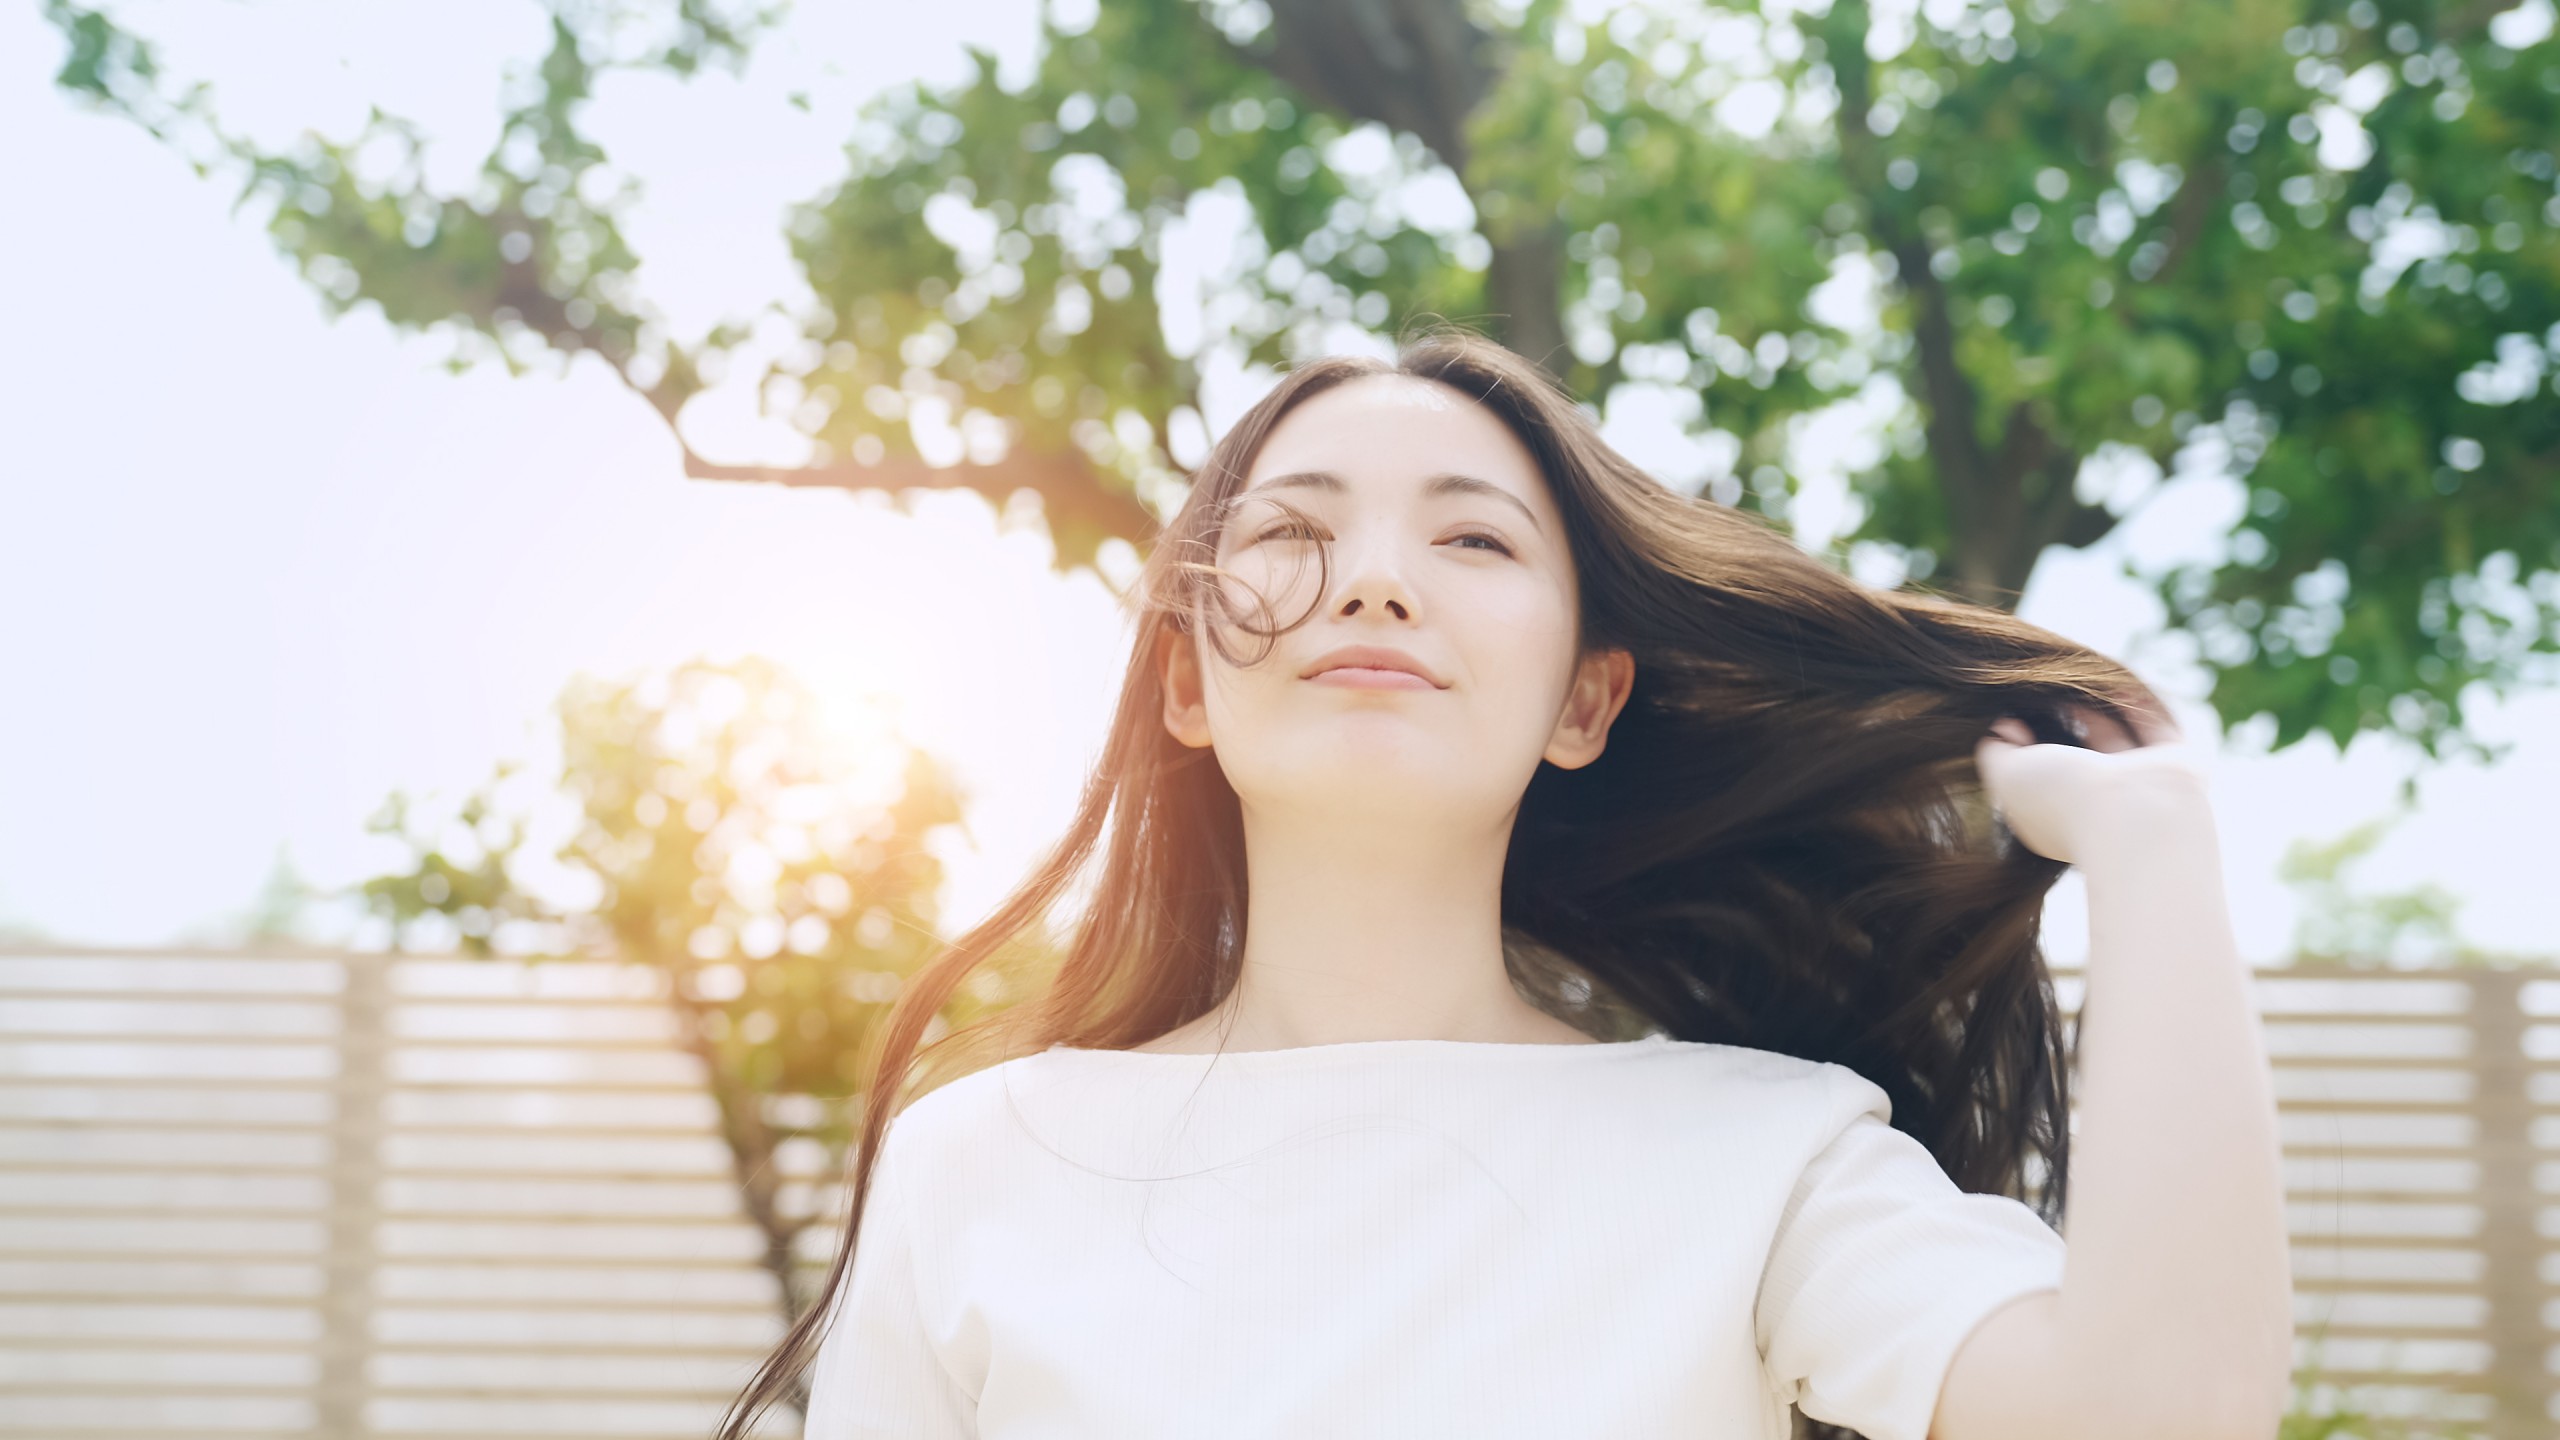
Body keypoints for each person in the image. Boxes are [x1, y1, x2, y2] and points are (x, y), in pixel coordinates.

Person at [728, 329, 2292, 1440]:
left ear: (1583, 703)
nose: (1376, 577)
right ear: (1188, 684)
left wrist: (2152, 843)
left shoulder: (1763, 1153)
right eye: (1291, 531)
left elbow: (2163, 1408)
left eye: (1472, 539)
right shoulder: (981, 1166)